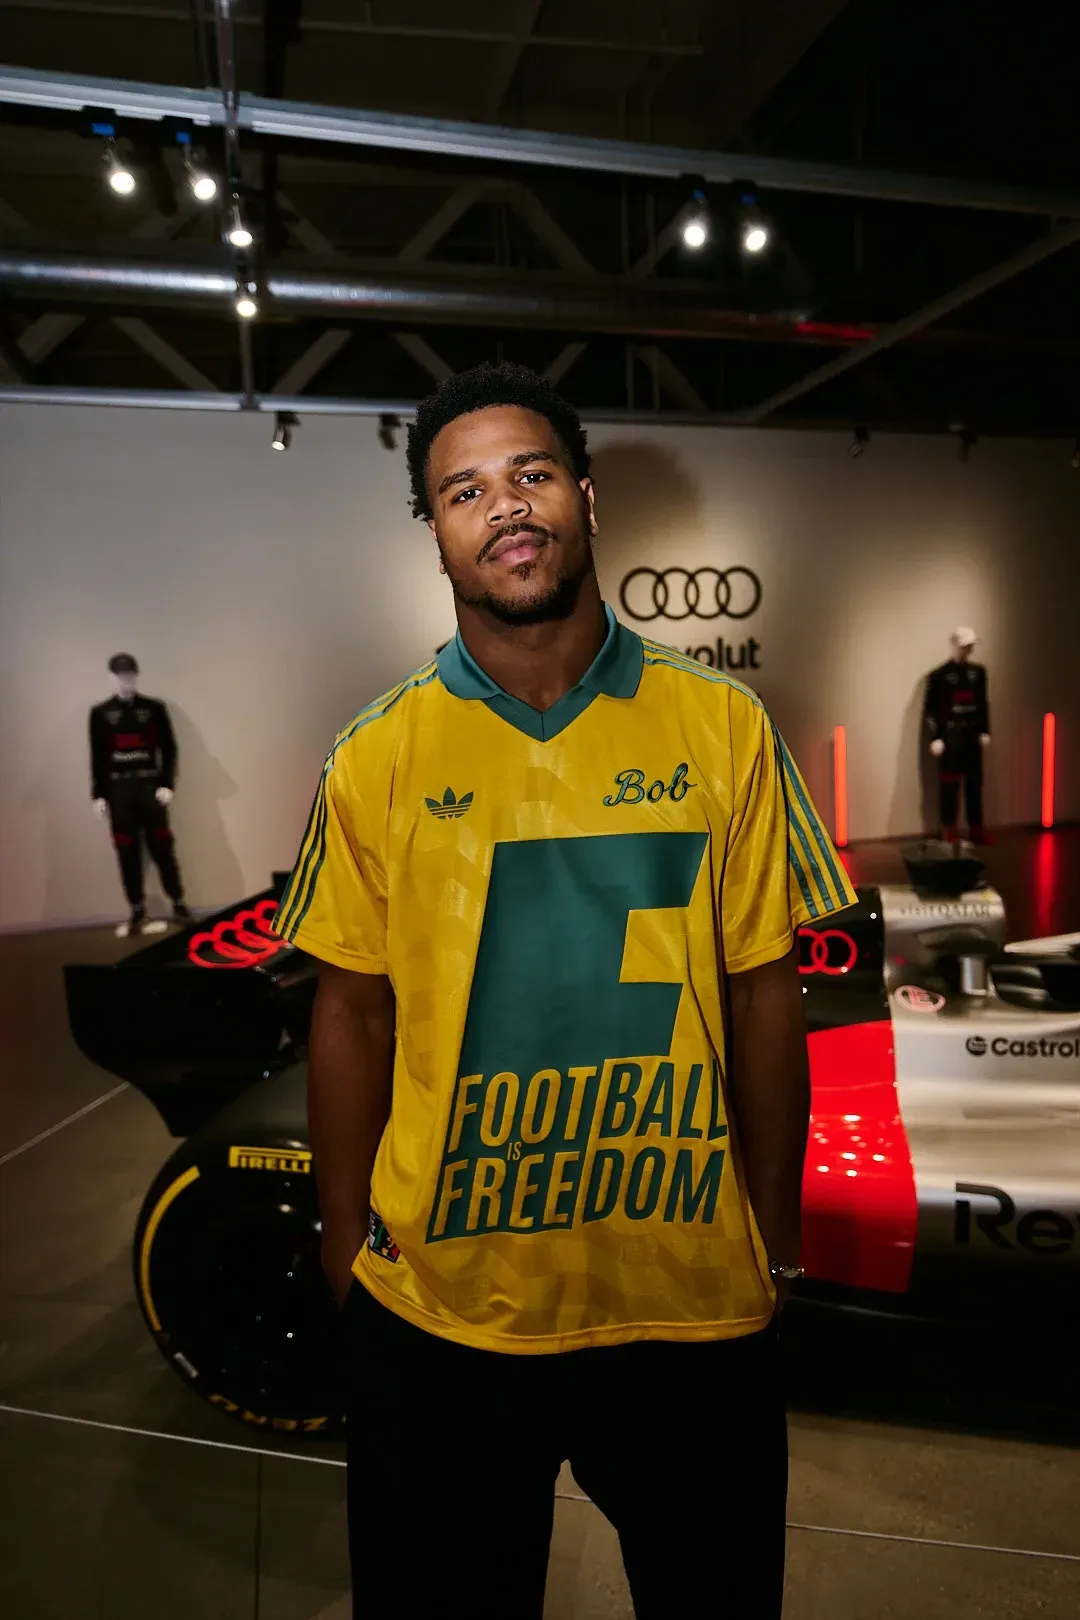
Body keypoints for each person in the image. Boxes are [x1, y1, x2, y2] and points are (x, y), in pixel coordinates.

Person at [274, 363, 856, 1619]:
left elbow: (765, 994)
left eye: (531, 473)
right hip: (441, 1315)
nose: (506, 506)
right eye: (464, 489)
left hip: (691, 1312)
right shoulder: (375, 753)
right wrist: (340, 1243)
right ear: (435, 534)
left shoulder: (726, 728)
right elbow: (349, 1009)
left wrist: (773, 1235)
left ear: (587, 499)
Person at [90, 652, 191, 937]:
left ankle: (179, 903)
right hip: (118, 790)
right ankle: (136, 909)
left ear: (136, 675)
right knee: (126, 852)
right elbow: (97, 756)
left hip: (149, 788)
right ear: (110, 678)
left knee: (162, 848)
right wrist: (97, 794)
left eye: (130, 675)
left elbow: (169, 748)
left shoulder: (154, 709)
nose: (125, 681)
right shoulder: (100, 714)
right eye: (119, 676)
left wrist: (167, 784)